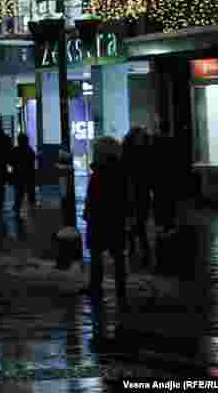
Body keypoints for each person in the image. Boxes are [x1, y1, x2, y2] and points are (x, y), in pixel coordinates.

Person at [83, 136, 129, 310]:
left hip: (101, 218)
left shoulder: (101, 172)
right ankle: (120, 288)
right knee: (117, 255)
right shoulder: (120, 171)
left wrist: (89, 212)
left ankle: (96, 286)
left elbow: (94, 196)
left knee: (97, 253)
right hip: (115, 218)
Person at [123, 127, 153, 264]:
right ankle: (136, 247)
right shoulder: (143, 151)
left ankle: (138, 247)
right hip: (133, 189)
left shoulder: (139, 151)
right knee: (134, 219)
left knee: (139, 220)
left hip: (140, 190)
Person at [10, 132, 37, 216]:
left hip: (18, 175)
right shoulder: (30, 150)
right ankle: (32, 210)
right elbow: (32, 162)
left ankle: (17, 208)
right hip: (29, 175)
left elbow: (11, 162)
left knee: (19, 193)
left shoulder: (15, 150)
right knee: (30, 193)